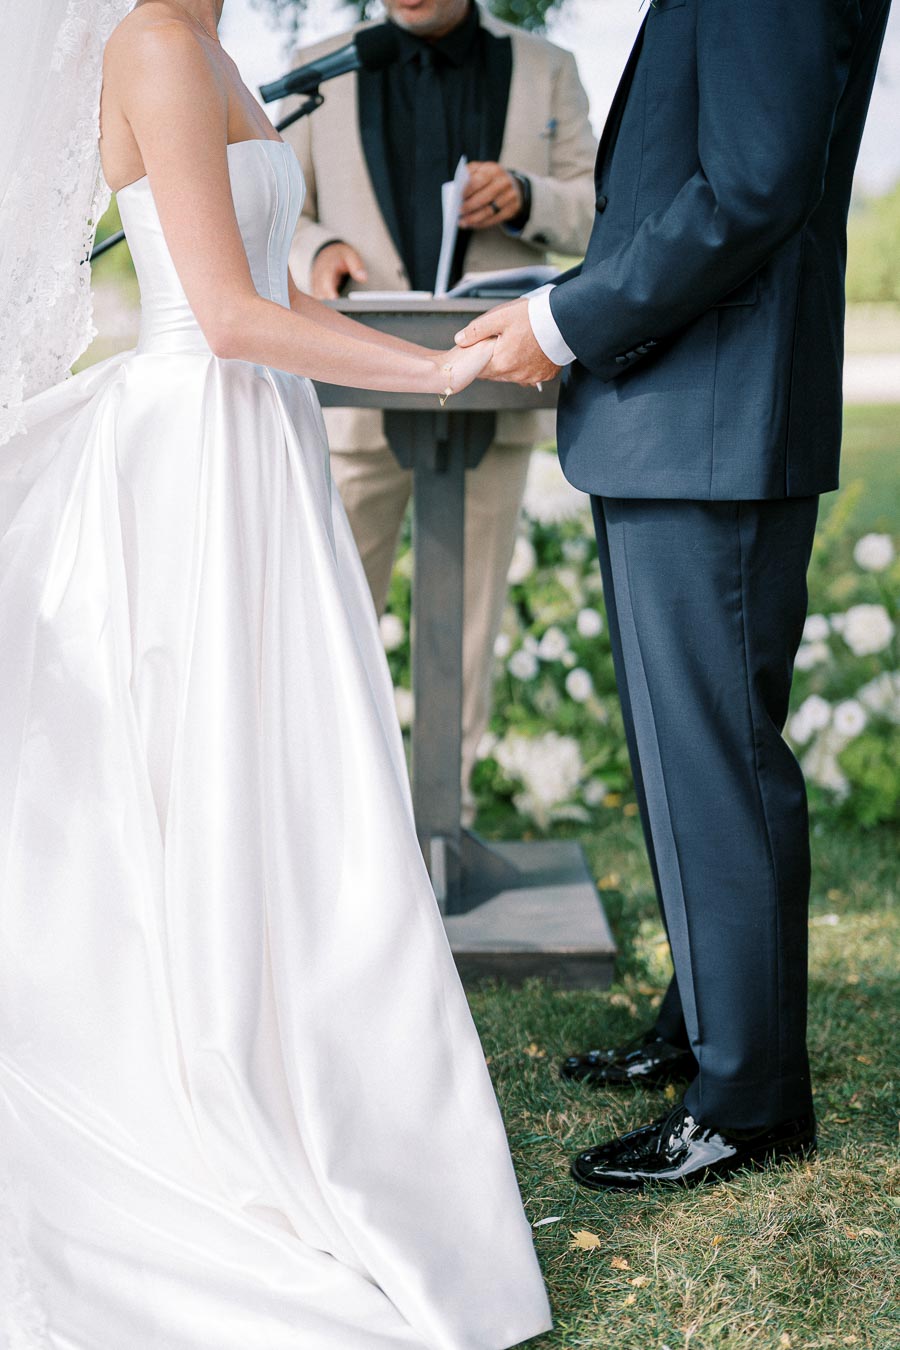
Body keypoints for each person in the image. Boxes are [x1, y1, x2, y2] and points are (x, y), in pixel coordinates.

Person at [0, 1, 554, 1344]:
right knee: (217, 774)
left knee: (295, 780)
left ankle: (315, 1062)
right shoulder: (151, 44)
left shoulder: (219, 50)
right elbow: (229, 318)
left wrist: (418, 337)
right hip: (195, 453)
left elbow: (276, 280)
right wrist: (435, 375)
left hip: (257, 446)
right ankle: (215, 1066)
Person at [455, 0, 892, 1189]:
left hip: (710, 419)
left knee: (716, 760)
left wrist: (567, 318)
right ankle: (706, 1023)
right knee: (681, 753)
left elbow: (750, 188)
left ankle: (747, 1102)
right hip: (690, 419)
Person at [282, 0, 596, 821]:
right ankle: (327, 825)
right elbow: (274, 209)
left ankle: (439, 831)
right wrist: (318, 251)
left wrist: (528, 198)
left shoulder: (546, 68)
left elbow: (604, 211)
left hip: (498, 382)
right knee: (331, 623)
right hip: (355, 393)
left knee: (470, 628)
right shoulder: (322, 65)